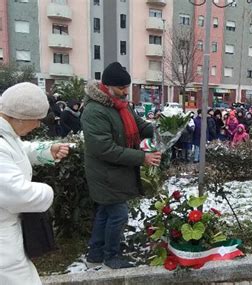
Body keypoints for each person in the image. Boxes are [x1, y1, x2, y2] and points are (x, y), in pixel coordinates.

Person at [81, 62, 161, 269]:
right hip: (105, 173)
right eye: (121, 88)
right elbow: (103, 148)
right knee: (118, 214)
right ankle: (111, 257)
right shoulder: (94, 110)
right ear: (106, 86)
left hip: (115, 172)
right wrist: (141, 158)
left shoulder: (121, 106)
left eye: (127, 87)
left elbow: (140, 126)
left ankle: (95, 255)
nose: (126, 92)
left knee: (105, 213)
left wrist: (165, 130)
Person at [0, 82, 70, 285]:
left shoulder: (7, 133)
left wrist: (45, 152)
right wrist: (48, 192)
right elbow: (19, 195)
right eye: (37, 120)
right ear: (21, 118)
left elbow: (18, 149)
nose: (39, 125)